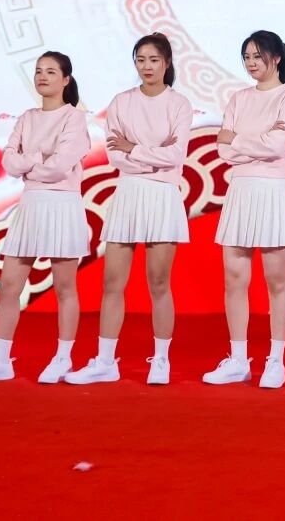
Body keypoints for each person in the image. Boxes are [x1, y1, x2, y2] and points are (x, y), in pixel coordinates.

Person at [65, 34, 191, 386]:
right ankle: (105, 361)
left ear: (166, 62)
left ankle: (161, 360)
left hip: (163, 196)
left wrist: (134, 147)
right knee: (112, 282)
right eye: (140, 60)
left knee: (159, 282)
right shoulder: (122, 102)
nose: (146, 66)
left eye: (154, 60)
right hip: (129, 194)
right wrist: (153, 153)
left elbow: (175, 155)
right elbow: (115, 155)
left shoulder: (179, 104)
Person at [0, 51, 91, 384]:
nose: (42, 77)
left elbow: (60, 166)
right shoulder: (27, 117)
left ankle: (63, 358)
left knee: (64, 287)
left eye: (51, 71)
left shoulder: (74, 118)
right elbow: (9, 161)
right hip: (31, 204)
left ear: (66, 79)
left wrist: (30, 161)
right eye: (38, 71)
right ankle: (0, 360)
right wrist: (38, 159)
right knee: (9, 285)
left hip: (62, 204)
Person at [202, 31, 285, 390]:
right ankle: (238, 359)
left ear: (277, 57)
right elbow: (223, 149)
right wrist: (254, 144)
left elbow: (277, 146)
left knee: (276, 280)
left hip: (274, 191)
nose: (251, 63)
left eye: (258, 56)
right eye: (247, 57)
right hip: (241, 190)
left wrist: (240, 142)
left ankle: (276, 360)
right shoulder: (239, 98)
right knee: (234, 278)